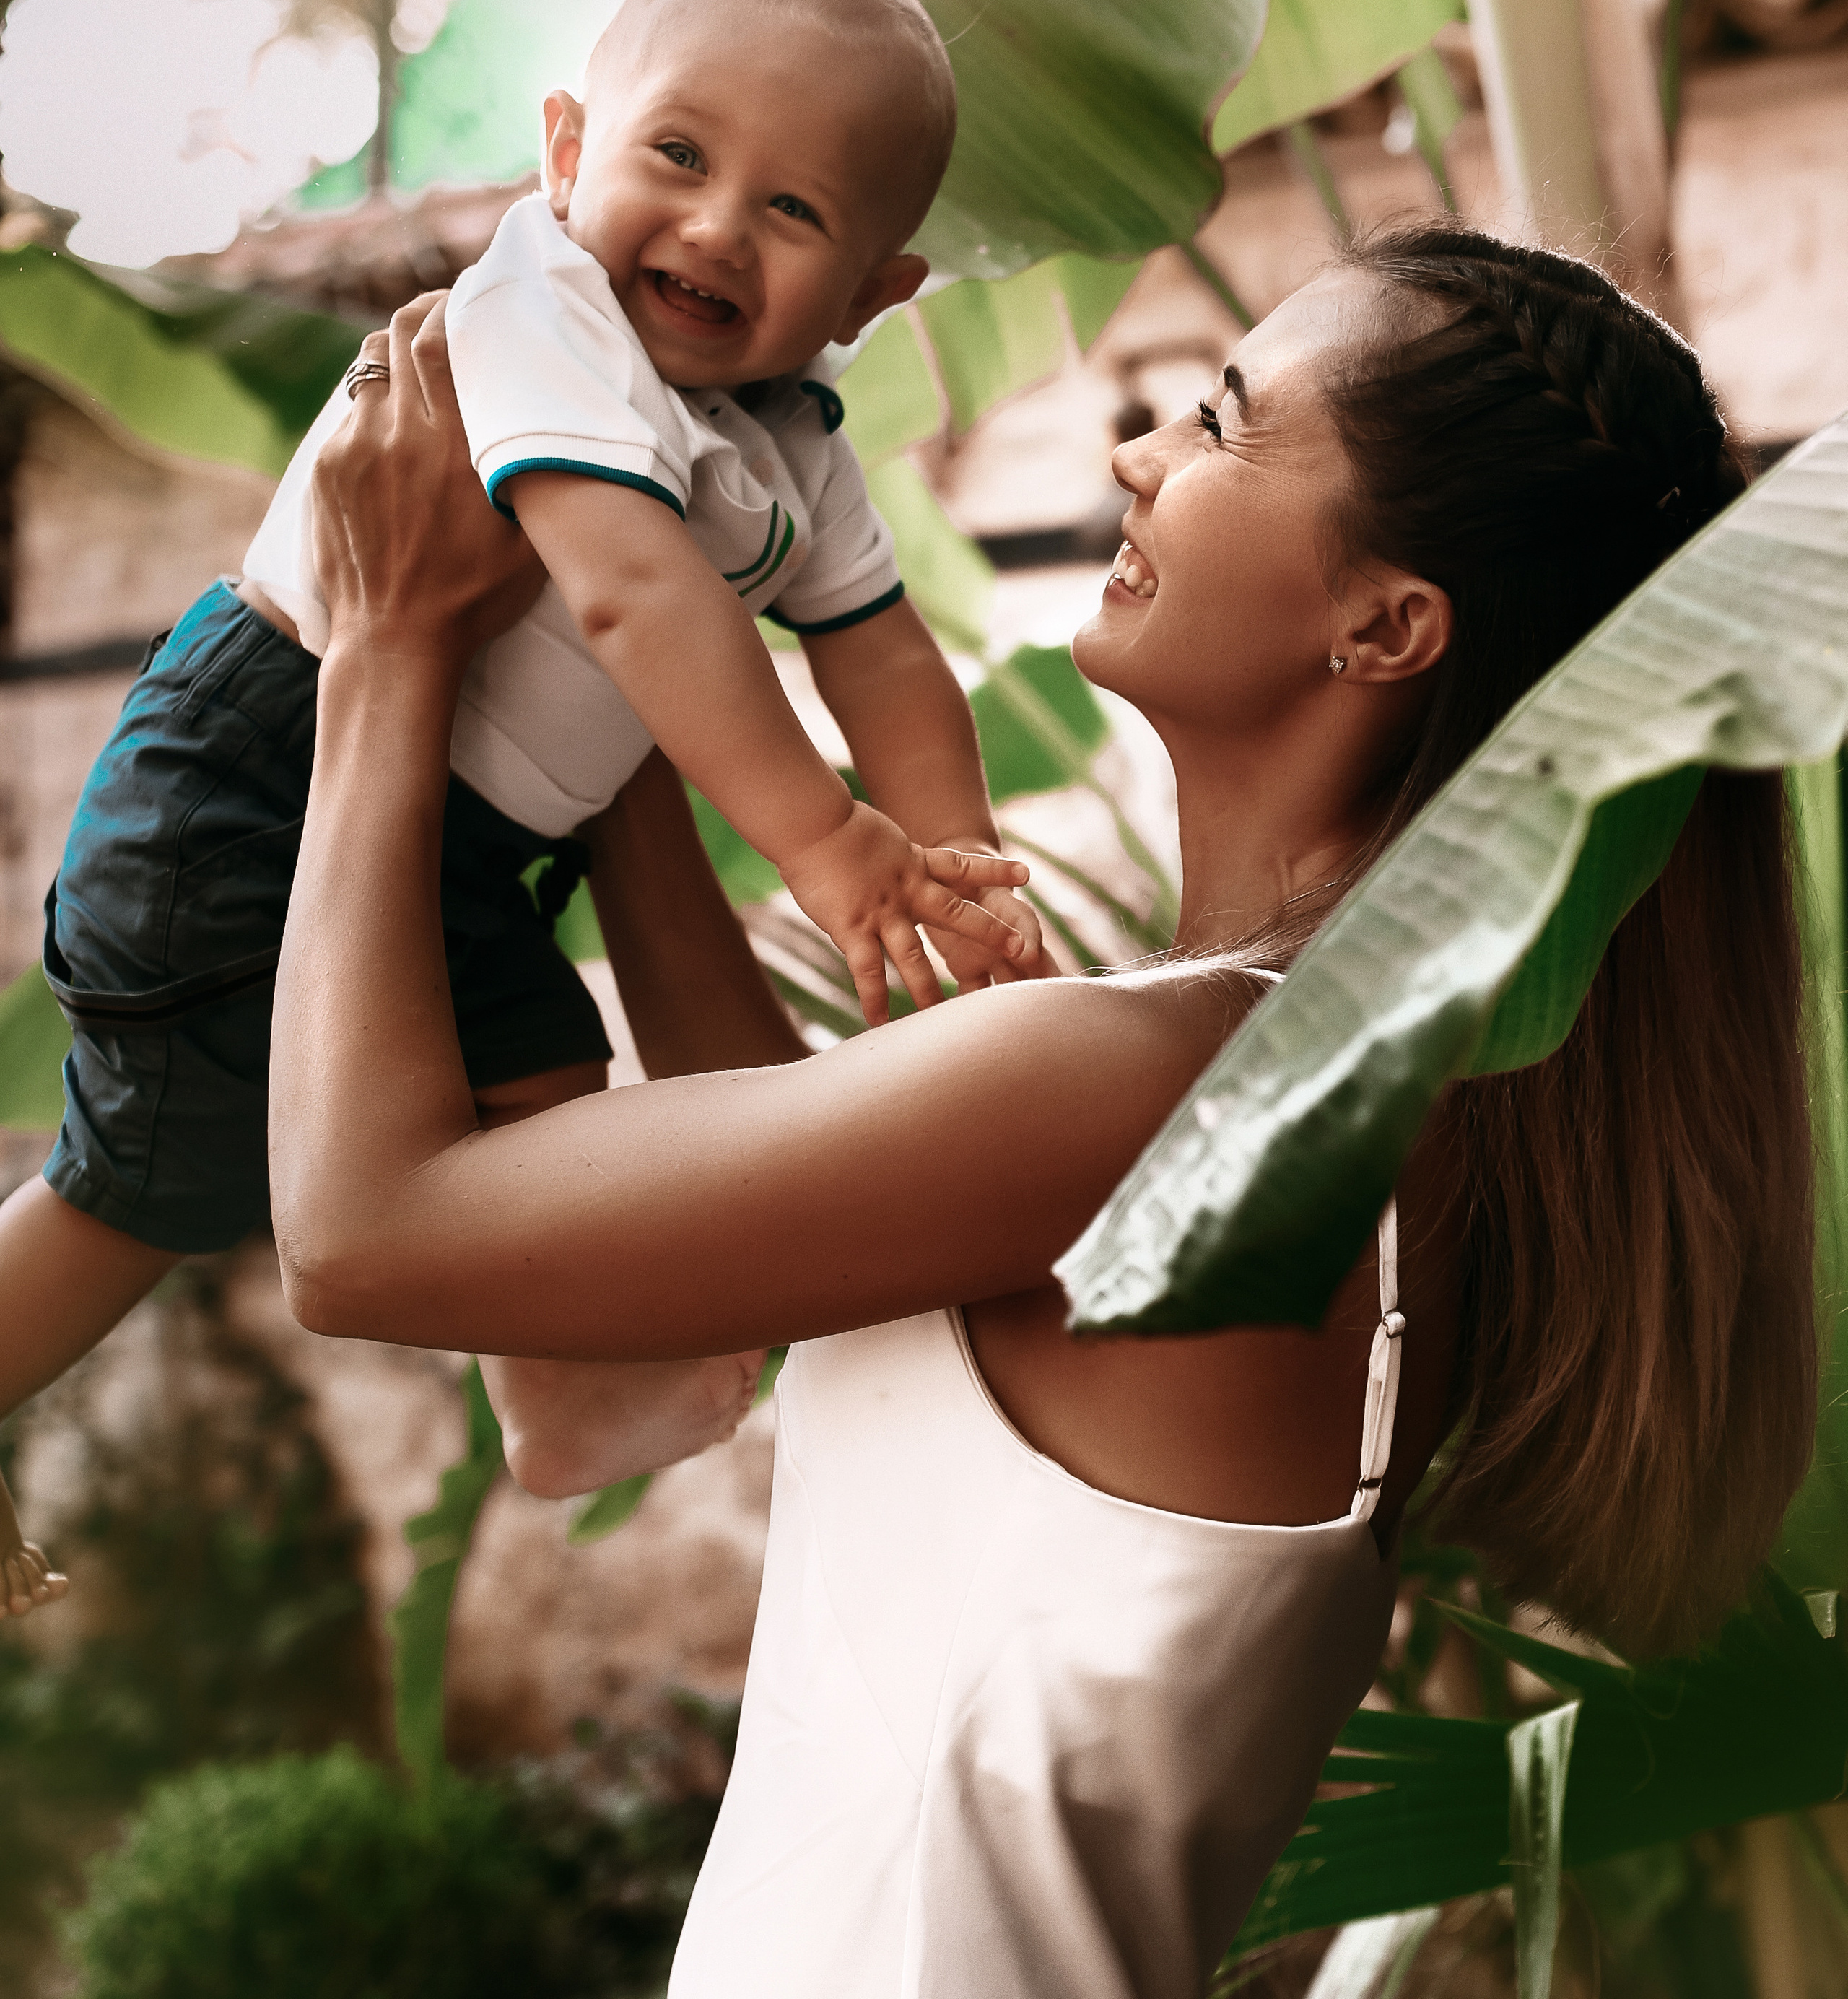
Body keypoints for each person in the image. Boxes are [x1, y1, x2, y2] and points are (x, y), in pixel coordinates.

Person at [266, 224, 1817, 1999]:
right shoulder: (1335, 1104)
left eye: (1223, 426)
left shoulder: (1141, 1088)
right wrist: (617, 689)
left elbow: (360, 1235)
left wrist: (382, 649)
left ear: (1384, 625)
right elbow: (751, 1211)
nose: (1134, 453)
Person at [0, 0, 1041, 1623]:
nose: (712, 227)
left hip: (452, 844)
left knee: (531, 1112)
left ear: (873, 294)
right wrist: (833, 849)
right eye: (677, 156)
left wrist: (954, 864)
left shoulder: (791, 441)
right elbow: (631, 592)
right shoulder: (539, 312)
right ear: (567, 157)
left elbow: (886, 655)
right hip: (259, 784)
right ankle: (590, 1387)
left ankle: (586, 1395)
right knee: (136, 1189)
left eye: (792, 212)